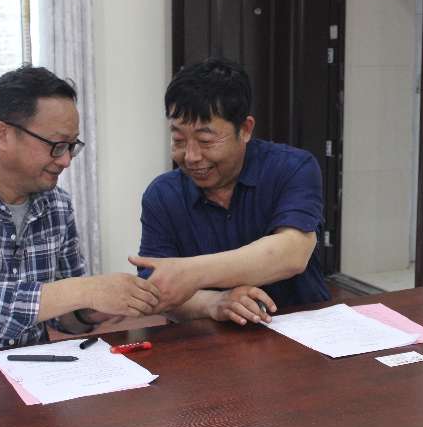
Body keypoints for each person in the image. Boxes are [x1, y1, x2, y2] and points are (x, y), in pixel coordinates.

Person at [0, 66, 162, 358]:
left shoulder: (56, 203)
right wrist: (84, 291)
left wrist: (91, 310)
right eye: (57, 145)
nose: (66, 161)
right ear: (3, 135)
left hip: (35, 371)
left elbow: (63, 317)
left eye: (71, 146)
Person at [130, 58, 330, 326]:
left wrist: (191, 273)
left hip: (303, 328)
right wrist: (214, 303)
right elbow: (156, 291)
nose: (191, 156)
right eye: (178, 139)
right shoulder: (162, 196)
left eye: (205, 140)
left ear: (245, 129)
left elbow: (292, 253)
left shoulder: (292, 168)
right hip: (206, 339)